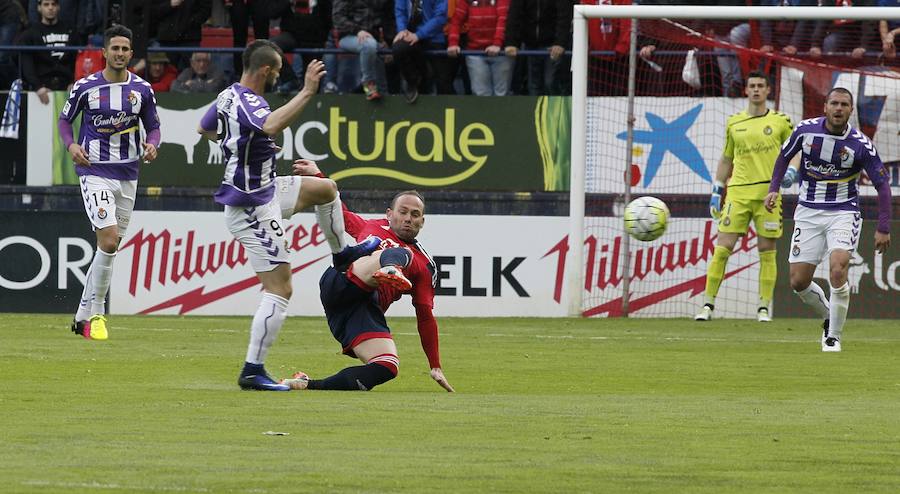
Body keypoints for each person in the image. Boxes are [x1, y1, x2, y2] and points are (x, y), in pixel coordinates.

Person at [196, 40, 380, 391]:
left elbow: (204, 129)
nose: (279, 77)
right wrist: (308, 91)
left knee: (326, 189)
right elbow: (269, 125)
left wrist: (244, 145)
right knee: (280, 288)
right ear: (265, 70)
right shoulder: (252, 102)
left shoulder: (226, 96)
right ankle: (253, 369)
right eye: (277, 72)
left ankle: (342, 253)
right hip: (250, 207)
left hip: (266, 188)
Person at [282, 173, 454, 393]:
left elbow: (425, 315)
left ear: (422, 221)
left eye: (415, 214)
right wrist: (317, 175)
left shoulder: (425, 265)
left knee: (386, 366)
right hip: (342, 281)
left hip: (359, 311)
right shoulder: (372, 227)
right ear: (389, 214)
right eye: (403, 212)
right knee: (399, 252)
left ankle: (307, 385)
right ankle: (391, 268)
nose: (408, 218)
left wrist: (435, 365)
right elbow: (337, 211)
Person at [765, 87, 892, 352]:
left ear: (850, 110)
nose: (838, 108)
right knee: (798, 282)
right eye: (834, 103)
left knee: (839, 266)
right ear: (825, 106)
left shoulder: (860, 144)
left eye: (844, 104)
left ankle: (833, 336)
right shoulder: (804, 130)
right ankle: (828, 316)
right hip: (808, 212)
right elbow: (783, 157)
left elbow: (882, 185)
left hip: (843, 212)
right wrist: (774, 188)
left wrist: (883, 227)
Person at [60, 25, 161, 340]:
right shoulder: (85, 87)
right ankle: (99, 314)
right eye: (114, 48)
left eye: (124, 49)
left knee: (109, 247)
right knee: (108, 240)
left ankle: (80, 318)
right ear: (104, 52)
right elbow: (65, 120)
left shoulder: (142, 89)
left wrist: (153, 144)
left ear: (131, 53)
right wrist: (71, 146)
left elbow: (153, 126)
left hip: (128, 175)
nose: (119, 54)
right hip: (95, 172)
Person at [695, 72, 794, 323]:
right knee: (722, 248)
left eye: (761, 86)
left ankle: (763, 308)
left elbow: (796, 151)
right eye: (752, 86)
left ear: (768, 90)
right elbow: (726, 158)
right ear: (746, 90)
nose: (757, 90)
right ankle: (707, 305)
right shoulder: (734, 123)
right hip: (737, 193)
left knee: (767, 250)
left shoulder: (781, 121)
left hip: (768, 194)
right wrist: (718, 188)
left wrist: (792, 170)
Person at [17, 0, 79, 105]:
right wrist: (38, 87)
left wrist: (75, 82)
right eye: (46, 4)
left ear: (58, 7)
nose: (50, 8)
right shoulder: (30, 33)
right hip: (41, 89)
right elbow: (26, 63)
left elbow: (78, 59)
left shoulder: (71, 30)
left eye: (53, 4)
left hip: (69, 87)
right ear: (39, 8)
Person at [331, 0, 395, 100]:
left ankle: (383, 92)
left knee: (376, 48)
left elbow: (388, 19)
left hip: (374, 38)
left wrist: (389, 42)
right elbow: (338, 17)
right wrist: (357, 30)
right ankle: (368, 84)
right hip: (348, 36)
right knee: (369, 45)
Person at [447, 0, 512, 97]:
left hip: (501, 52)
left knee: (502, 94)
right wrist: (453, 43)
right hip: (475, 52)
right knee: (480, 94)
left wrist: (497, 44)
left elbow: (503, 19)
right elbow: (456, 21)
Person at [392, 0, 451, 103]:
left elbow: (440, 17)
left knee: (443, 82)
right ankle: (413, 82)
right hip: (410, 36)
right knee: (398, 48)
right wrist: (402, 30)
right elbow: (400, 12)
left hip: (434, 38)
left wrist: (419, 35)